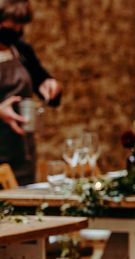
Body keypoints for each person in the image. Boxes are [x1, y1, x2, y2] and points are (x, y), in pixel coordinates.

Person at [0, 0, 62, 184]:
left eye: (21, 25)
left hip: (21, 152)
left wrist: (51, 87)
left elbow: (41, 80)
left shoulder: (21, 50)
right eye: (12, 24)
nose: (18, 30)